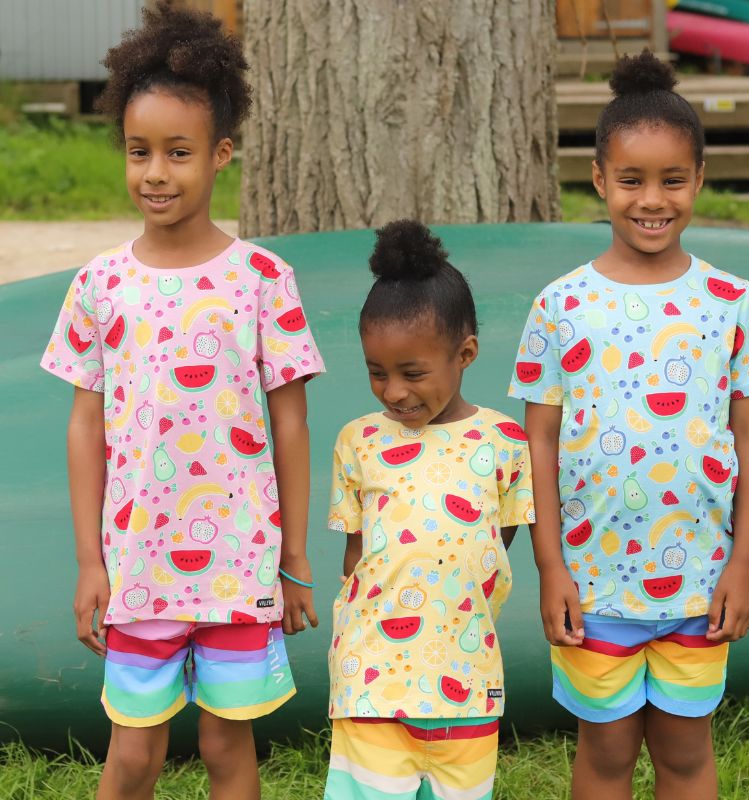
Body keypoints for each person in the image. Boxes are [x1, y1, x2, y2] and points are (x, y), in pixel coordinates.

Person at [39, 4, 324, 798]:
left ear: (221, 155)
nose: (155, 173)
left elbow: (291, 424)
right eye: (139, 152)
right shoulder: (100, 283)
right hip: (136, 569)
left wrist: (292, 559)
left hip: (240, 566)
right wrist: (91, 562)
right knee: (132, 757)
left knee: (230, 751)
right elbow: (83, 425)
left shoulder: (264, 279)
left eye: (178, 153)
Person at [509, 50, 749, 799]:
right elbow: (536, 439)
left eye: (672, 180)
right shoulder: (560, 305)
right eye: (631, 180)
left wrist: (744, 565)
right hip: (594, 588)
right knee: (605, 757)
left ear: (698, 179)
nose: (651, 200)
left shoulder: (730, 300)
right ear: (599, 180)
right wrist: (552, 570)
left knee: (687, 756)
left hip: (700, 584)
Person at [323, 220, 535, 799]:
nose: (394, 391)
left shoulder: (504, 443)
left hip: (467, 680)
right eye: (377, 372)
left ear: (464, 353)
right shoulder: (356, 442)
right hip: (370, 683)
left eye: (413, 373)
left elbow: (496, 545)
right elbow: (356, 560)